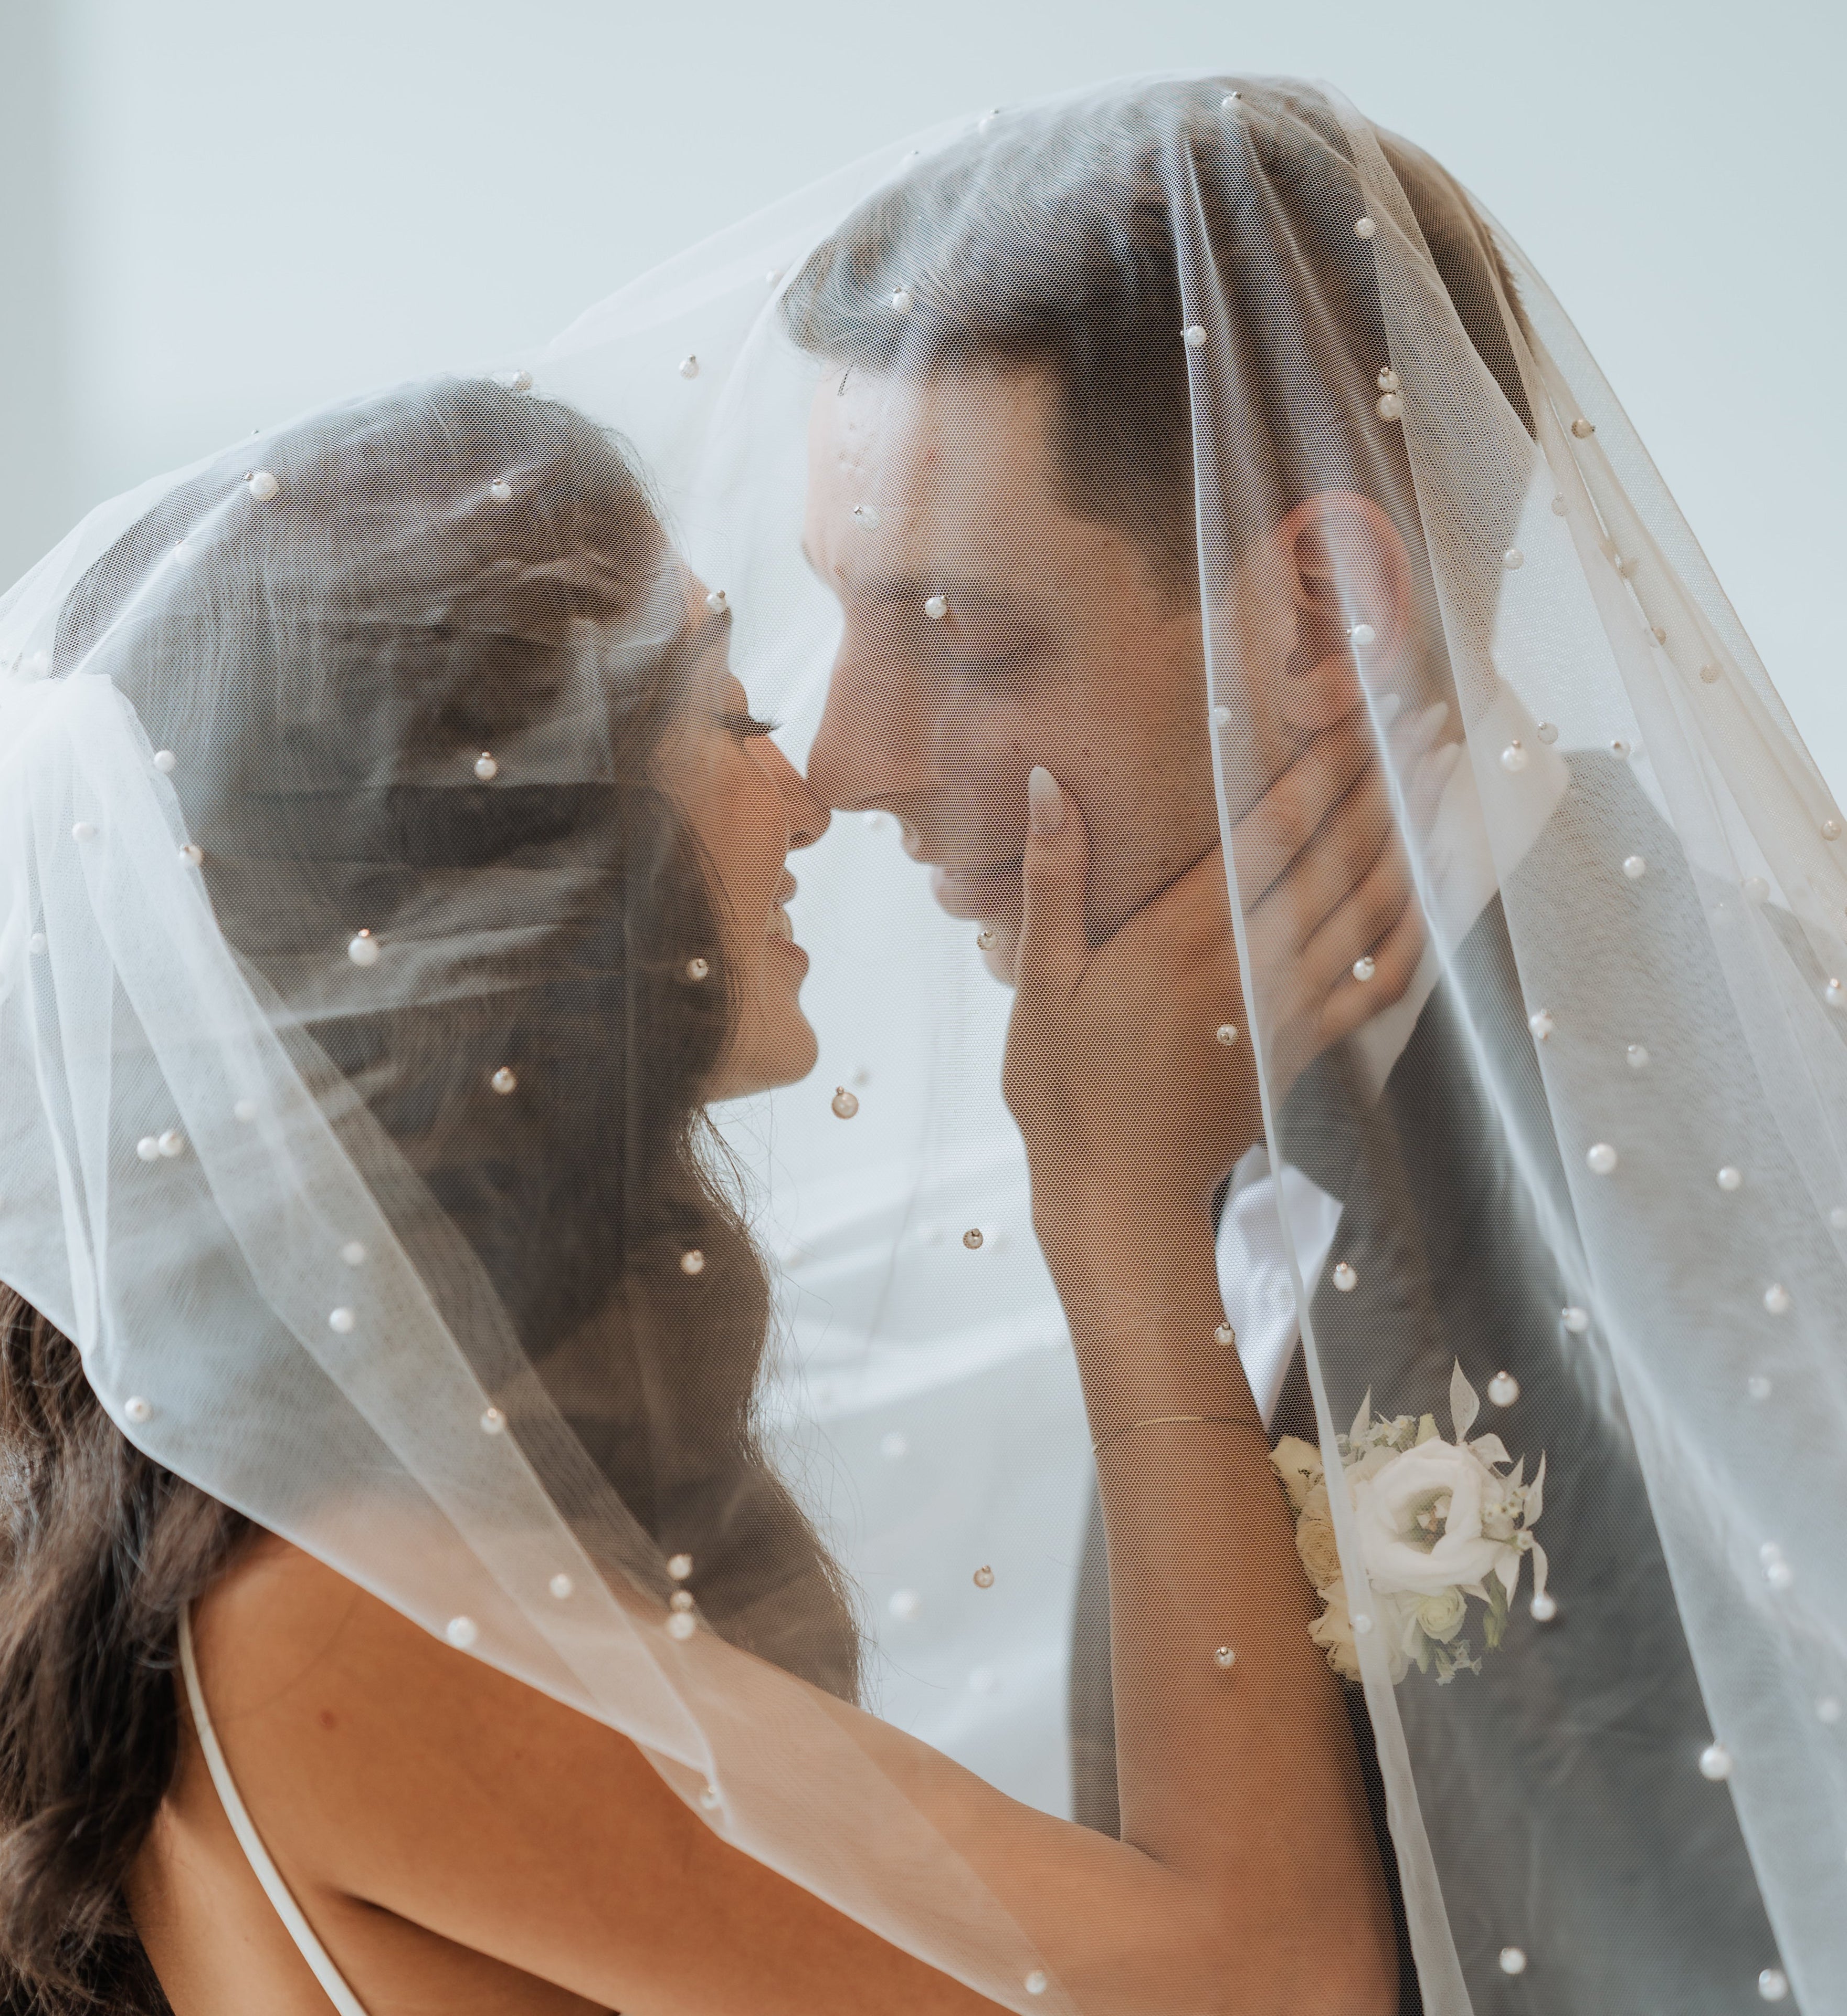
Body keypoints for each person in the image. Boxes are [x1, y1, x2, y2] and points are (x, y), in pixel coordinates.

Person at [0, 376, 1413, 2014]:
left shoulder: (362, 1557)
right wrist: (1119, 1217)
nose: (808, 794)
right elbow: (1272, 1989)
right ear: (512, 861)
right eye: (726, 715)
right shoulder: (350, 1620)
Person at [752, 75, 1814, 2016]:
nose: (843, 764)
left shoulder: (1722, 1141)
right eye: (845, 617)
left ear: (1326, 607)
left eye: (961, 635)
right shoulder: (1214, 1098)